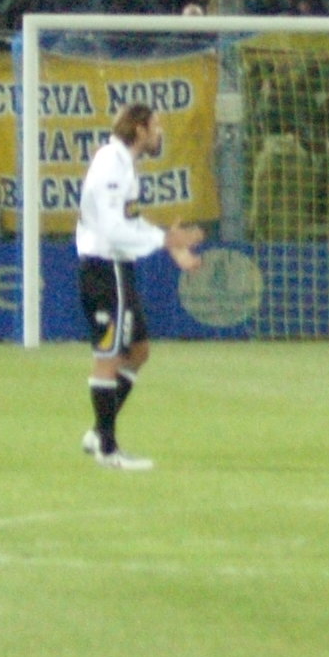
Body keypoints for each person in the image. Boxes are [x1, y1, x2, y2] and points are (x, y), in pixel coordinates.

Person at [79, 98, 202, 470]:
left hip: (118, 268)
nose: (160, 132)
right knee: (109, 357)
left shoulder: (124, 165)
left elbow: (130, 222)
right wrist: (166, 241)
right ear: (140, 130)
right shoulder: (112, 165)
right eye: (157, 126)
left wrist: (169, 243)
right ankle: (108, 448)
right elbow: (113, 228)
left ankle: (99, 431)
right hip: (105, 269)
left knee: (139, 351)